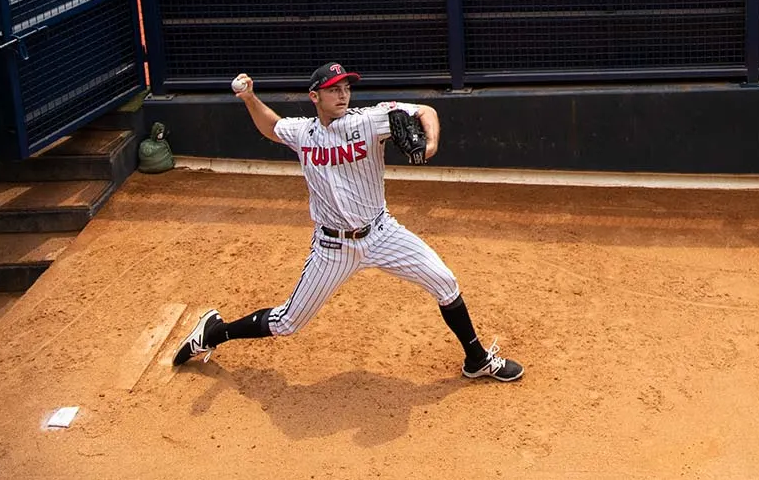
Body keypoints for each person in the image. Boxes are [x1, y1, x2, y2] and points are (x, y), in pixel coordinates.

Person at [171, 61, 524, 384]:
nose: (342, 95)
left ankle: (476, 359)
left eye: (346, 88)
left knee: (445, 282)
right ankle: (214, 332)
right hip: (332, 247)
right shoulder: (303, 133)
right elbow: (272, 127)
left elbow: (425, 111)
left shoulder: (368, 120)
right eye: (333, 90)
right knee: (287, 323)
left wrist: (429, 145)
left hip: (382, 233)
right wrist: (249, 97)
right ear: (315, 96)